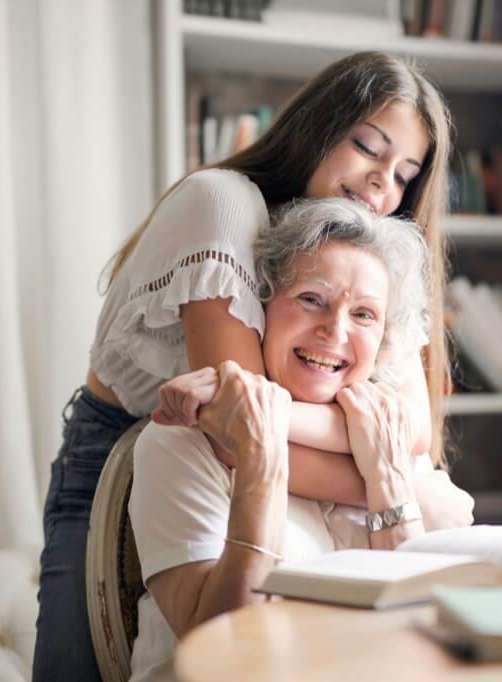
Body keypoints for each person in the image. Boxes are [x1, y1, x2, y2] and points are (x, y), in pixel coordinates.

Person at [33, 51, 474, 681]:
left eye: (405, 174)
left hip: (251, 454)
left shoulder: (368, 253)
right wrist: (399, 480)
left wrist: (394, 461)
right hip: (128, 453)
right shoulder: (222, 204)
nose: (383, 184)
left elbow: (410, 428)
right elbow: (246, 433)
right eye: (368, 148)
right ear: (316, 129)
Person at [130, 198, 438, 680]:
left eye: (363, 315)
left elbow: (422, 633)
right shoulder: (180, 444)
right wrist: (261, 460)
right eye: (312, 299)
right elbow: (225, 650)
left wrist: (389, 478)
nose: (334, 330)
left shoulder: (387, 438)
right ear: (264, 306)